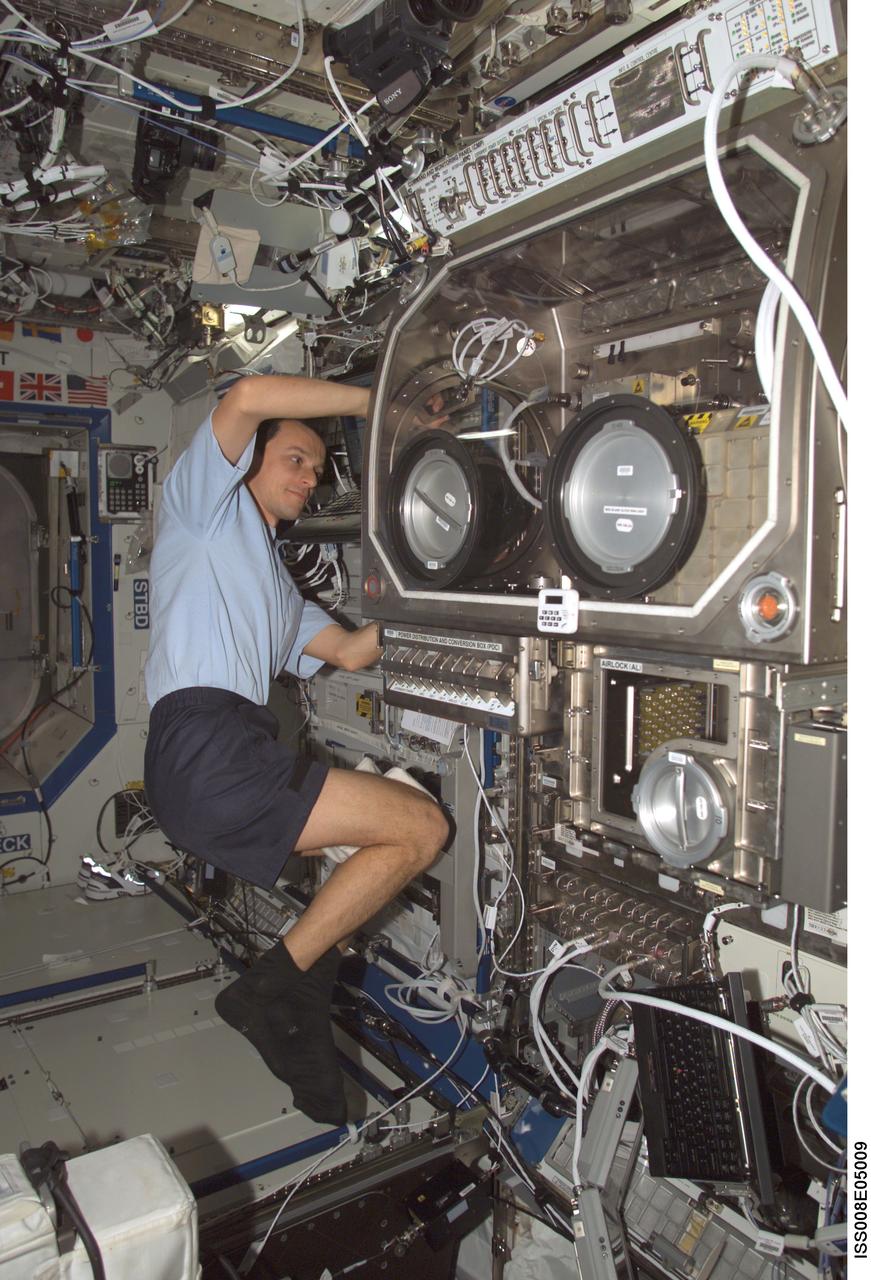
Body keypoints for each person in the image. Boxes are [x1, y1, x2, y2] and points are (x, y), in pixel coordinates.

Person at [143, 374, 449, 1126]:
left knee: (392, 838)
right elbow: (246, 395)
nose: (311, 478)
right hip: (205, 744)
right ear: (246, 461)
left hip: (216, 754)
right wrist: (376, 402)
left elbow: (348, 650)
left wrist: (438, 590)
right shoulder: (201, 511)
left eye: (317, 467)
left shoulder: (275, 590)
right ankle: (271, 988)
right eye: (296, 459)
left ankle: (291, 987)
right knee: (421, 829)